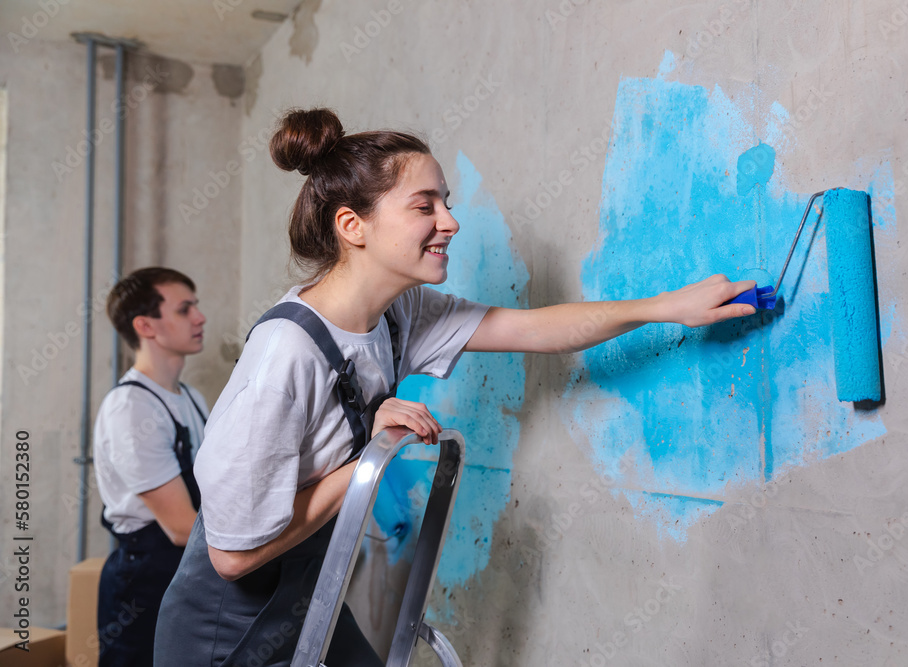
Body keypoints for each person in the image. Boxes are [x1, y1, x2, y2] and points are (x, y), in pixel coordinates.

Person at [154, 108, 757, 666]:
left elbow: (537, 329)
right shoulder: (285, 356)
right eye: (426, 206)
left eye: (445, 201)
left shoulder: (398, 315)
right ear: (352, 225)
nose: (451, 220)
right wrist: (370, 456)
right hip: (227, 630)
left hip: (306, 597)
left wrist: (666, 307)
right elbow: (232, 557)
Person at [93, 267, 209, 667]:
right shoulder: (131, 408)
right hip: (144, 583)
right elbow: (180, 528)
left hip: (188, 571)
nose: (200, 317)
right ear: (146, 325)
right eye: (185, 309)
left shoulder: (191, 397)